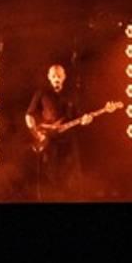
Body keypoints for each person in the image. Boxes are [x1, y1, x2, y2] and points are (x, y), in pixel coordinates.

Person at [26, 64, 88, 200]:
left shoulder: (72, 94)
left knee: (72, 171)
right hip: (49, 140)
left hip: (68, 139)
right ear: (49, 77)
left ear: (64, 77)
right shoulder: (41, 92)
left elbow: (79, 116)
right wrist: (36, 132)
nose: (56, 78)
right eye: (54, 75)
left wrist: (85, 120)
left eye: (59, 75)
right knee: (50, 171)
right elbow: (29, 115)